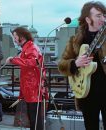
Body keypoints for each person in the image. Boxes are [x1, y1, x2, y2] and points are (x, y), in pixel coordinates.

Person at [58, 1, 106, 130]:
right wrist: (75, 63)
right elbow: (62, 64)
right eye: (98, 15)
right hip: (87, 92)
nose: (103, 18)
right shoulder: (76, 40)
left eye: (104, 15)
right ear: (87, 19)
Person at [6, 27, 48, 130]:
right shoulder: (28, 47)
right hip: (31, 88)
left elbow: (33, 62)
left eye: (15, 37)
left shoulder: (31, 48)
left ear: (22, 37)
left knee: (35, 119)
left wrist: (13, 60)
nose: (14, 39)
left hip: (34, 89)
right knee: (33, 118)